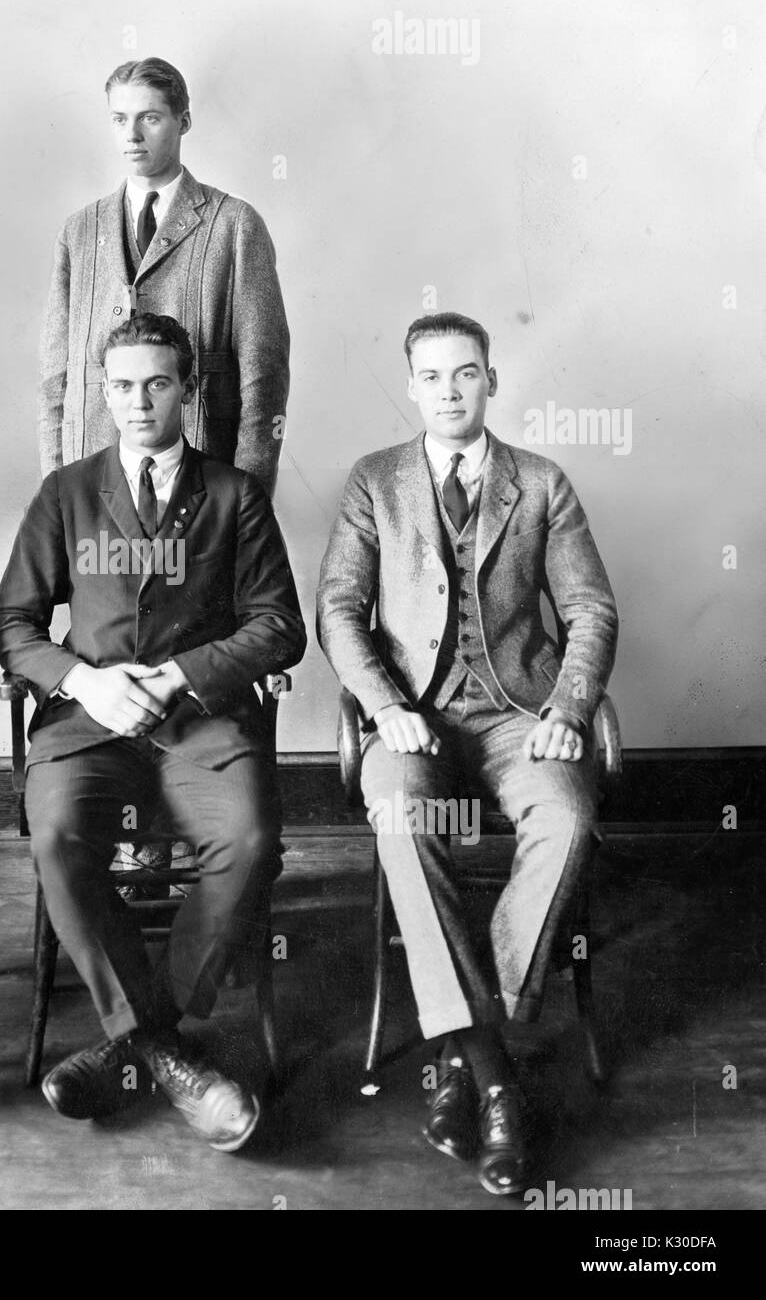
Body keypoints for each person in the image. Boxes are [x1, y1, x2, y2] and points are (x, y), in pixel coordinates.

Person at [316, 311, 618, 1195]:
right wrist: (382, 705)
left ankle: (460, 1054)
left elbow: (591, 610)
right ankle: (497, 1082)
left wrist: (567, 707)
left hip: (520, 715)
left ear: (492, 380)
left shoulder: (543, 483)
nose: (451, 391)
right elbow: (338, 609)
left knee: (567, 817)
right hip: (413, 717)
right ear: (411, 386)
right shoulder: (375, 481)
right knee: (405, 819)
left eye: (468, 374)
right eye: (434, 376)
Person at [0, 312, 304, 1152]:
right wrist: (85, 680)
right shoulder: (67, 492)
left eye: (157, 384)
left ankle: (137, 1038)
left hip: (198, 720)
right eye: (123, 386)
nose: (138, 402)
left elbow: (279, 628)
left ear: (188, 390)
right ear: (104, 391)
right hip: (88, 723)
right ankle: (170, 1055)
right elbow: (11, 625)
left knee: (248, 839)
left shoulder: (234, 495)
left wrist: (177, 675)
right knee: (56, 836)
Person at [38, 56, 290, 501]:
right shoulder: (79, 231)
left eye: (149, 118)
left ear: (183, 120)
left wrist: (247, 500)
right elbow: (56, 377)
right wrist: (55, 489)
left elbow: (263, 380)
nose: (132, 136)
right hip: (93, 476)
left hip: (202, 479)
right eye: (120, 119)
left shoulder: (234, 225)